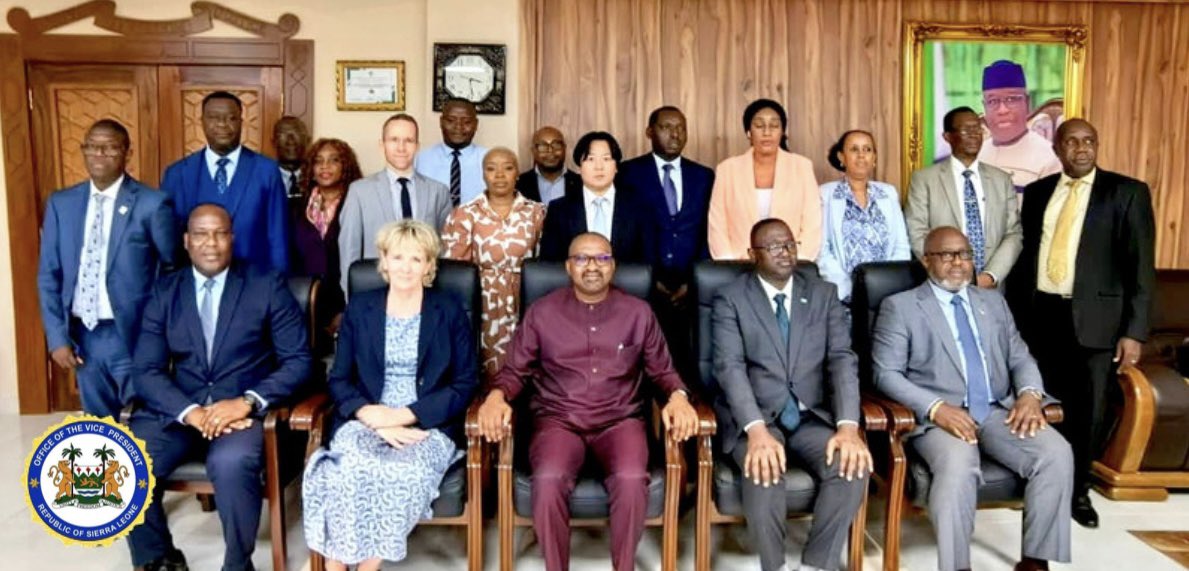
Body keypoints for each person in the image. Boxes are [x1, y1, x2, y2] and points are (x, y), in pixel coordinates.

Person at [476, 232, 699, 571]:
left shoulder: (638, 312)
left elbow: (663, 371)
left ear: (613, 267)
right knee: (548, 478)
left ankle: (623, 566)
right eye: (582, 258)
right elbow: (514, 371)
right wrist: (495, 396)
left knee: (629, 478)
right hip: (558, 421)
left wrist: (679, 397)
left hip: (620, 420)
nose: (592, 266)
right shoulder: (542, 312)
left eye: (601, 259)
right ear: (568, 266)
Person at [873, 226, 1073, 571]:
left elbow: (1020, 357)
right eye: (946, 255)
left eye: (964, 255)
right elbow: (885, 374)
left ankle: (1035, 561)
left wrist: (1029, 394)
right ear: (926, 260)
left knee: (1056, 453)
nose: (958, 263)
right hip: (940, 418)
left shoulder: (993, 302)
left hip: (998, 410)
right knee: (959, 466)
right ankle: (957, 566)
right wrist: (936, 409)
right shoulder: (901, 307)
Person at [127, 203, 311, 571]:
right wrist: (191, 412)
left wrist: (247, 402)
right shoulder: (166, 291)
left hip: (240, 416)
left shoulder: (266, 284)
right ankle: (158, 556)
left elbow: (299, 360)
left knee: (231, 462)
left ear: (232, 238)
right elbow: (145, 369)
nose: (210, 243)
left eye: (220, 233)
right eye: (200, 234)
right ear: (186, 241)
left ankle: (237, 563)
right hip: (181, 412)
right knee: (126, 462)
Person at [303, 220, 478, 571]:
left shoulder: (449, 310)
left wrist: (402, 416)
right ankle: (335, 567)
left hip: (426, 423)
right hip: (365, 416)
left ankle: (368, 567)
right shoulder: (360, 308)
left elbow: (465, 382)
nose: (406, 267)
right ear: (383, 260)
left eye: (417, 259)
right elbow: (339, 379)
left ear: (430, 265)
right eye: (398, 257)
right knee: (345, 470)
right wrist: (374, 418)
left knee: (404, 473)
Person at [1007, 119, 1155, 529]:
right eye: (1071, 142)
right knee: (1037, 398)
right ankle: (1039, 483)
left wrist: (1134, 331)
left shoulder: (1126, 193)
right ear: (1057, 148)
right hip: (1041, 317)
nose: (1082, 148)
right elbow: (1025, 259)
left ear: (1097, 145)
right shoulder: (1038, 194)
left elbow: (1142, 268)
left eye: (1089, 140)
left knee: (1088, 411)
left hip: (1098, 322)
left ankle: (1077, 493)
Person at [712, 218, 871, 571]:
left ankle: (816, 564)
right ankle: (776, 566)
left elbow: (842, 360)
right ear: (752, 254)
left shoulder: (821, 293)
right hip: (755, 417)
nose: (785, 253)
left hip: (810, 415)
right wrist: (755, 431)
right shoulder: (731, 298)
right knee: (764, 468)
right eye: (773, 247)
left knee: (851, 468)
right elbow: (729, 367)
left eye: (789, 245)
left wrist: (847, 426)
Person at [37, 119, 177, 419]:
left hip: (133, 333)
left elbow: (172, 269)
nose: (99, 154)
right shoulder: (61, 203)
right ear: (83, 151)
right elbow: (49, 274)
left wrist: (158, 330)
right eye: (92, 147)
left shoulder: (152, 203)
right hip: (82, 335)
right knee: (99, 422)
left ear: (127, 153)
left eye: (111, 147)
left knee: (143, 418)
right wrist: (57, 337)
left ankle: (141, 467)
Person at [618, 105, 715, 389]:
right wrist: (648, 279)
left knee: (689, 366)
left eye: (681, 127)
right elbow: (625, 229)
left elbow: (711, 229)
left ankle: (689, 420)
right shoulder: (628, 173)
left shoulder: (704, 176)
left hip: (691, 284)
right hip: (646, 283)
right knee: (642, 365)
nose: (675, 134)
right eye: (666, 127)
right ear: (649, 131)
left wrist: (695, 279)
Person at [442, 148, 546, 377]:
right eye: (491, 169)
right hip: (482, 300)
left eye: (507, 168)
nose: (499, 175)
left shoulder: (537, 212)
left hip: (526, 298)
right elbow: (454, 273)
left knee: (528, 363)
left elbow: (545, 265)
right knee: (482, 367)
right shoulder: (464, 214)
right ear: (483, 174)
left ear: (517, 173)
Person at [161, 91, 290, 273]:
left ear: (241, 122)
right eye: (214, 118)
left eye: (231, 118)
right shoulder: (177, 174)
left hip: (253, 283)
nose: (222, 124)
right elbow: (169, 240)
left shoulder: (266, 170)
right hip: (195, 284)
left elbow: (278, 238)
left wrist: (278, 286)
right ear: (202, 122)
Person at [905, 106, 1021, 289]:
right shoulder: (925, 179)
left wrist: (991, 276)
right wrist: (948, 272)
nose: (974, 134)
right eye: (966, 130)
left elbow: (1013, 234)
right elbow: (917, 231)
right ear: (947, 137)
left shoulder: (1002, 180)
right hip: (941, 283)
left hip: (991, 288)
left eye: (978, 129)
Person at [338, 113, 452, 294]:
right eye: (394, 140)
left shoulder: (438, 191)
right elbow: (349, 252)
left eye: (409, 140)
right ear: (382, 145)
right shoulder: (359, 192)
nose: (401, 148)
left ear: (417, 146)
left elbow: (443, 250)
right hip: (373, 292)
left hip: (425, 293)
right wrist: (350, 298)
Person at [708, 99, 821, 261]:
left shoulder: (802, 166)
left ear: (782, 131)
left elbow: (812, 223)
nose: (767, 132)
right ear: (748, 132)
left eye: (774, 126)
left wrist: (798, 260)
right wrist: (728, 264)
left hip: (789, 264)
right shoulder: (727, 169)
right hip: (739, 265)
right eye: (759, 126)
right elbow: (717, 224)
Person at [817, 130, 911, 304]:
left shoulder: (888, 193)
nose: (861, 155)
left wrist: (886, 284)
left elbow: (901, 246)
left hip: (887, 295)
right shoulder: (825, 194)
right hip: (842, 296)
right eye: (854, 149)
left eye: (867, 149)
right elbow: (822, 249)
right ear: (841, 157)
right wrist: (848, 289)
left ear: (874, 158)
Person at [290, 138, 363, 354]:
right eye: (318, 161)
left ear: (346, 167)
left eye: (334, 160)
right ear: (310, 169)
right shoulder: (294, 207)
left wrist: (346, 309)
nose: (325, 166)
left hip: (344, 301)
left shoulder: (356, 204)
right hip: (303, 303)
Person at [538, 131, 649, 263]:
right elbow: (550, 264)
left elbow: (647, 264)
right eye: (591, 159)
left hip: (625, 283)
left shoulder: (639, 207)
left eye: (606, 159)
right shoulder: (559, 210)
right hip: (573, 283)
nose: (599, 167)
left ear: (616, 167)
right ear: (579, 167)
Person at [977, 60, 1063, 192]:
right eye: (993, 101)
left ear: (1027, 102)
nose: (1002, 110)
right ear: (984, 107)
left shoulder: (1049, 159)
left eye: (1011, 99)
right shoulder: (976, 156)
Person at [415, 98, 489, 206]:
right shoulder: (420, 160)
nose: (458, 127)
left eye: (467, 122)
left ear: (476, 124)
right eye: (450, 120)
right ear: (441, 122)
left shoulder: (489, 160)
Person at [515, 126, 582, 204]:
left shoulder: (581, 183)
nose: (550, 151)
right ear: (533, 151)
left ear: (564, 148)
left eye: (556, 145)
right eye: (543, 146)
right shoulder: (518, 184)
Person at [272, 115, 312, 204]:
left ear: (308, 140)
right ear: (273, 142)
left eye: (297, 133)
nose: (290, 140)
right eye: (283, 134)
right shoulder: (262, 179)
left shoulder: (318, 178)